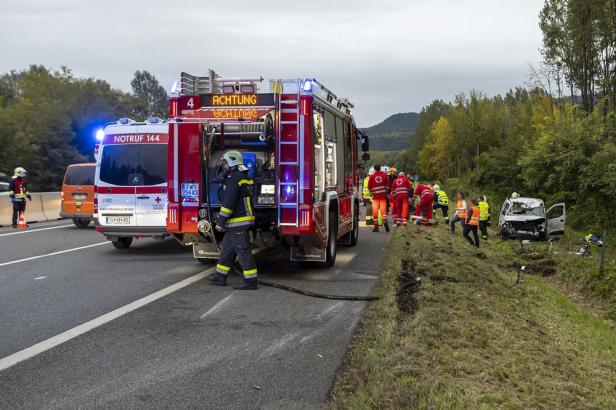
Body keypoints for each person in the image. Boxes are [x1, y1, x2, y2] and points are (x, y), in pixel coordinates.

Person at [209, 150, 259, 290]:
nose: (223, 166)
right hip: (238, 221)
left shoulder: (234, 179)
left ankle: (250, 280)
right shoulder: (244, 177)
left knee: (243, 251)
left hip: (238, 221)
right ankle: (220, 276)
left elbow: (229, 202)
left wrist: (220, 221)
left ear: (231, 163)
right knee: (227, 250)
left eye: (225, 163)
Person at [368, 164, 391, 232]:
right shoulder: (384, 175)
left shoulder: (372, 176)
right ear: (380, 168)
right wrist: (385, 191)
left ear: (374, 169)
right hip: (383, 197)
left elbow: (369, 187)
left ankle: (376, 227)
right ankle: (385, 224)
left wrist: (373, 192)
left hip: (375, 197)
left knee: (375, 212)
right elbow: (388, 186)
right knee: (383, 211)